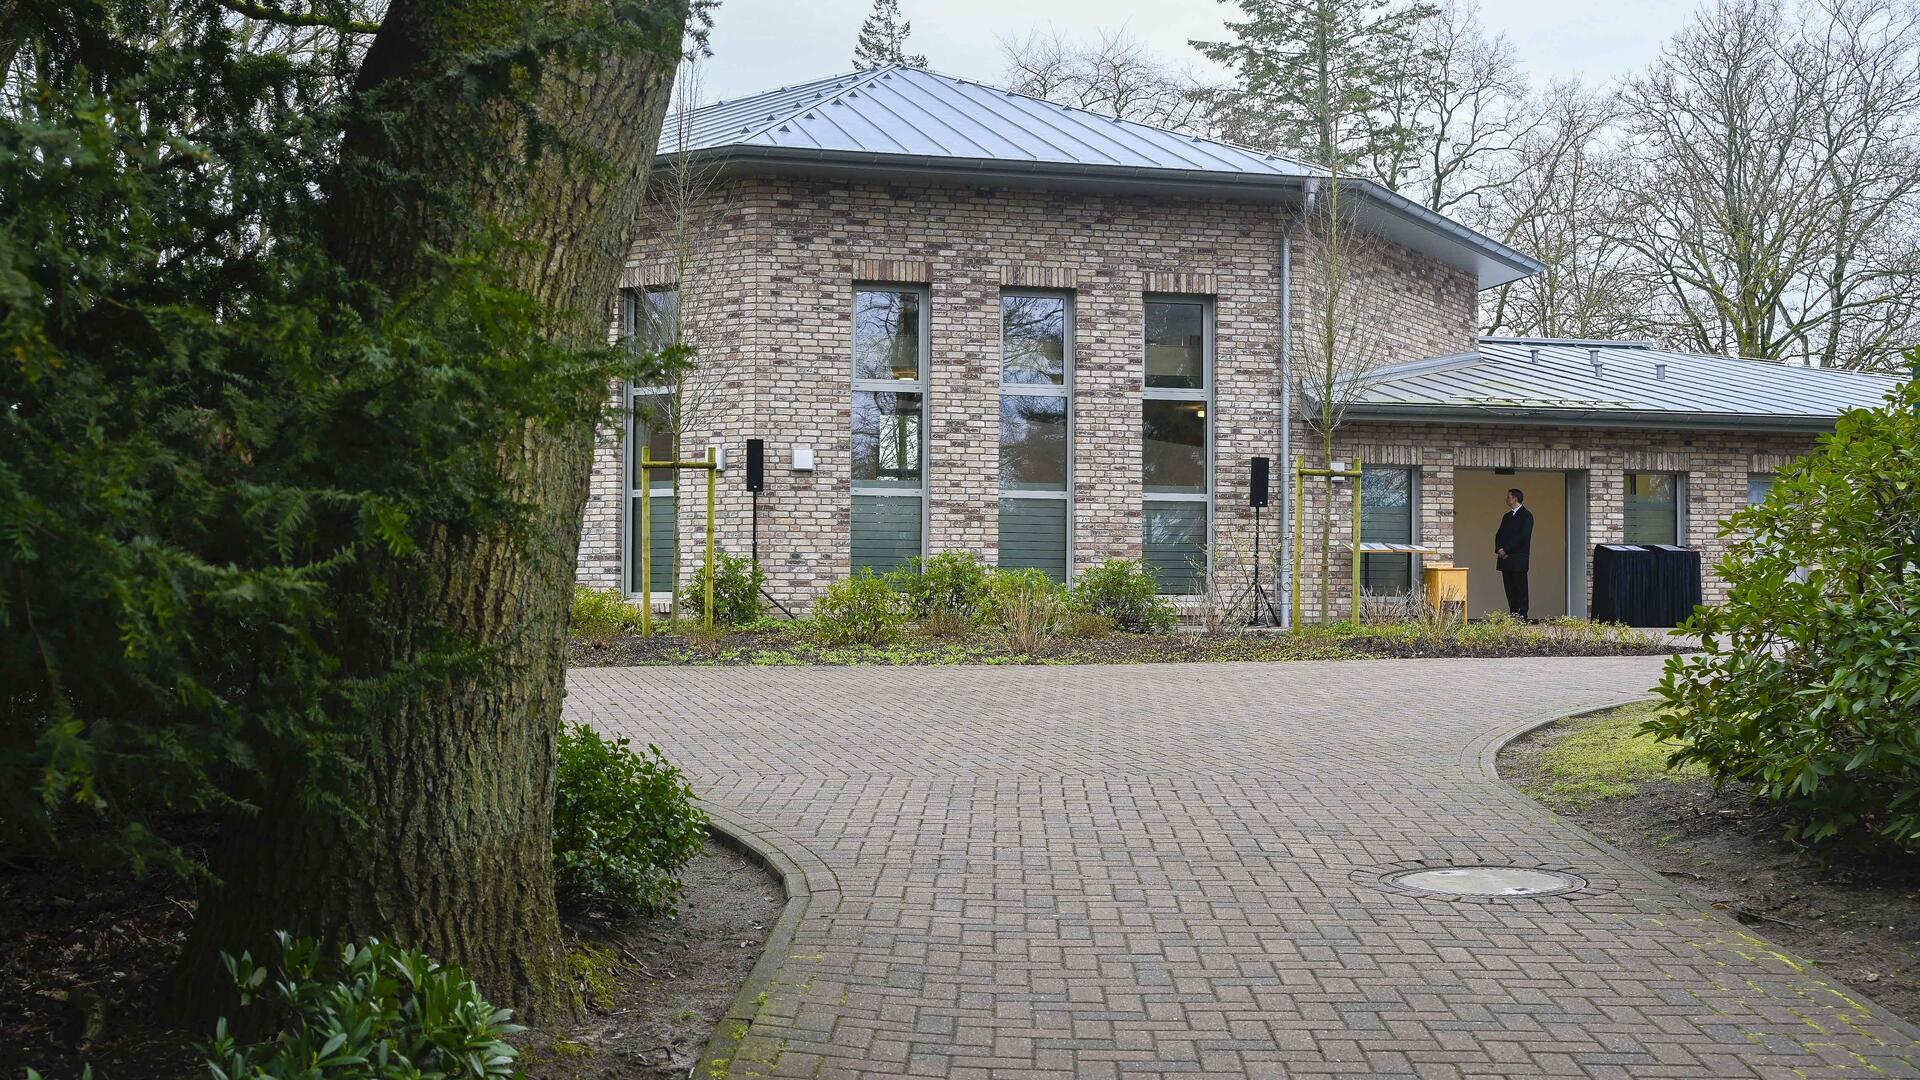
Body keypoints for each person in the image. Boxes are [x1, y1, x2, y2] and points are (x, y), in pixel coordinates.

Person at [1495, 487, 1534, 619]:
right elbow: (1499, 534)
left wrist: (1506, 549)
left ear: (1515, 499)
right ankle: (1513, 613)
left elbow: (1523, 537)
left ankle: (1522, 615)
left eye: (1508, 497)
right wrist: (1499, 549)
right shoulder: (1506, 516)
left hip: (1518, 559)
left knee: (1520, 588)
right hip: (1505, 560)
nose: (1506, 499)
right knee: (1509, 589)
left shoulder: (1526, 516)